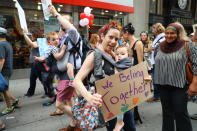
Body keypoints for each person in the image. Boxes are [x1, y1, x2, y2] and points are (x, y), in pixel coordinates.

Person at [73, 21, 136, 131]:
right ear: (102, 36)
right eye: (110, 37)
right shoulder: (94, 55)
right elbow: (76, 80)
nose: (113, 42)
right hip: (108, 105)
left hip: (123, 101)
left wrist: (142, 80)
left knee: (131, 128)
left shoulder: (111, 53)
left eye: (116, 39)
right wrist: (90, 97)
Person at [154, 23, 197, 131]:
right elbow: (156, 62)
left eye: (172, 33)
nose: (169, 35)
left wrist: (194, 83)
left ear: (178, 34)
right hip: (162, 85)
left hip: (180, 86)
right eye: (167, 33)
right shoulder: (159, 46)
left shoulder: (188, 45)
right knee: (167, 114)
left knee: (180, 113)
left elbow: (196, 63)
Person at [48, 5, 82, 131]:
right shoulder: (63, 37)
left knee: (59, 104)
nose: (61, 23)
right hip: (63, 75)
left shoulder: (73, 35)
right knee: (70, 101)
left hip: (68, 75)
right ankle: (73, 125)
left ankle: (79, 120)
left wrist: (56, 14)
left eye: (64, 20)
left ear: (70, 23)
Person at [122, 23, 144, 123]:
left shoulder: (138, 43)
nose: (122, 36)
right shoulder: (127, 44)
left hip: (135, 74)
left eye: (123, 34)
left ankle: (133, 119)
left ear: (127, 33)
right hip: (128, 74)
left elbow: (140, 62)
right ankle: (130, 117)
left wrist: (141, 78)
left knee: (134, 98)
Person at [113, 45, 133, 131]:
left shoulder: (129, 65)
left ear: (128, 54)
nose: (119, 55)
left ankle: (120, 122)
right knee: (121, 108)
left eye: (122, 53)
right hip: (117, 97)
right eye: (117, 54)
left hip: (127, 97)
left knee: (124, 110)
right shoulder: (114, 64)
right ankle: (120, 122)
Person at [0, 27, 18, 115]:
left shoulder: (1, 44)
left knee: (4, 89)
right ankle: (14, 100)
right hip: (8, 69)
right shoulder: (7, 43)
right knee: (4, 89)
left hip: (4, 70)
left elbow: (1, 60)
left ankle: (10, 107)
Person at [23, 29, 46, 97]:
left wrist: (24, 34)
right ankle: (30, 92)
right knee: (32, 78)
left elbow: (32, 45)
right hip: (35, 63)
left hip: (39, 63)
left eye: (32, 35)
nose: (31, 36)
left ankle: (48, 91)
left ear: (35, 35)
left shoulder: (40, 41)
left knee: (42, 78)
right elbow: (29, 43)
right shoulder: (38, 41)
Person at [147, 23, 165, 102]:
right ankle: (157, 95)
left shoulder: (162, 37)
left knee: (156, 79)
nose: (152, 30)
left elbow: (158, 47)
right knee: (155, 79)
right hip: (155, 61)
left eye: (153, 28)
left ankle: (157, 96)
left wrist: (152, 48)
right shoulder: (158, 37)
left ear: (157, 29)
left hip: (158, 61)